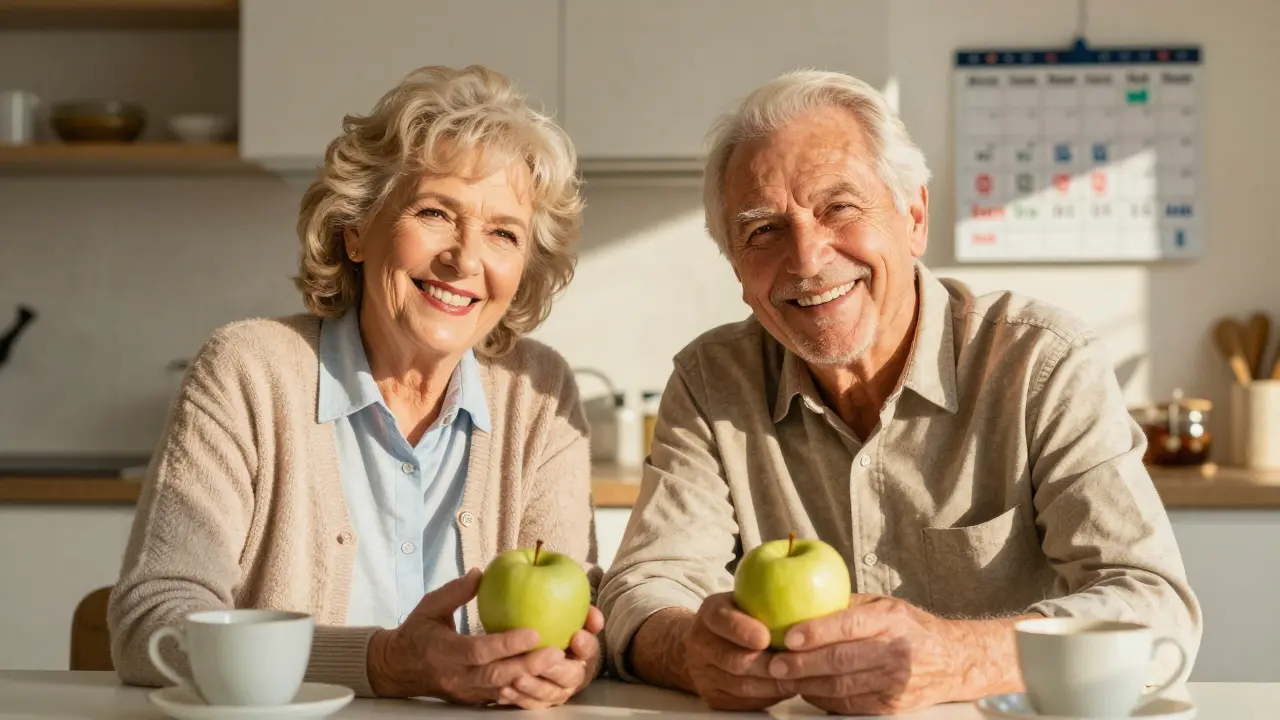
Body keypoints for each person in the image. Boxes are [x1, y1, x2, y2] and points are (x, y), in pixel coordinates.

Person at [598, 70, 1201, 715]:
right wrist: (689, 648)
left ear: (913, 217)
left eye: (840, 207)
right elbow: (642, 587)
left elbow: (1152, 605)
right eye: (763, 231)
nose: (805, 258)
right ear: (736, 267)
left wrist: (959, 657)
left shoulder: (1043, 364)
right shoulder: (712, 381)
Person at [109, 65, 602, 710]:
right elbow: (154, 616)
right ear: (355, 228)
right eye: (434, 213)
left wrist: (571, 662)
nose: (465, 259)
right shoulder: (247, 369)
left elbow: (578, 610)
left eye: (503, 234)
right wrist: (381, 663)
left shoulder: (539, 392)